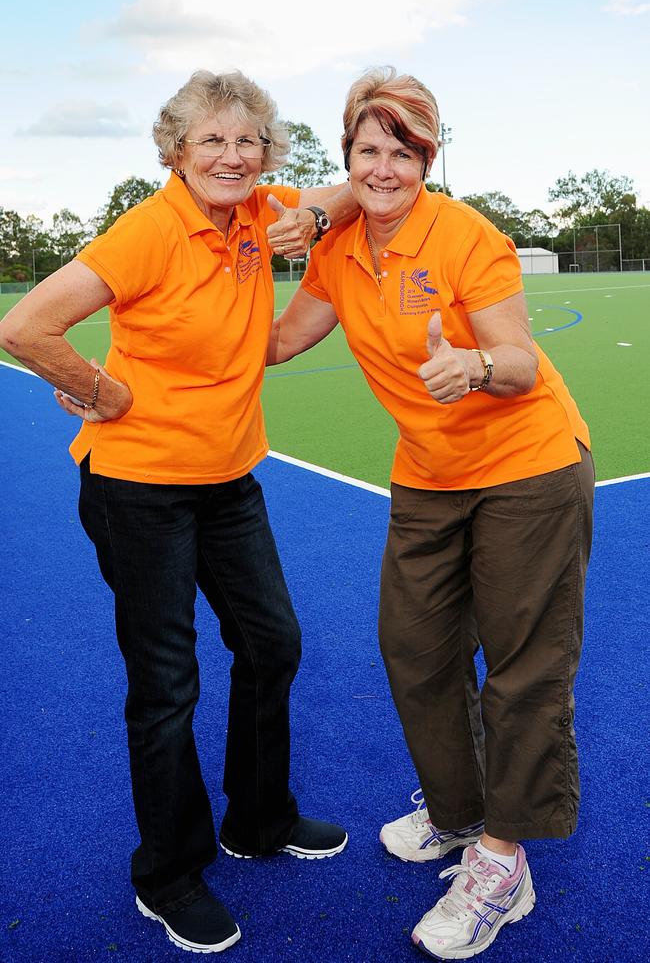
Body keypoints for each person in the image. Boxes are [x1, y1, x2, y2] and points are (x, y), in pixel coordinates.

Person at [0, 69, 360, 955]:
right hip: (139, 488)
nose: (233, 156)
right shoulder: (151, 230)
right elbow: (25, 327)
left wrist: (314, 216)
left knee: (272, 641)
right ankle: (167, 873)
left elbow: (353, 188)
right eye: (212, 141)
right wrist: (99, 390)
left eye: (249, 142)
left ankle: (258, 820)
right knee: (167, 683)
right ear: (176, 153)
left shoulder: (260, 208)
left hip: (229, 477)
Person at [267, 67, 595, 959]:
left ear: (430, 155)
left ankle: (502, 859)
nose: (383, 168)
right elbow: (283, 338)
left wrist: (476, 369)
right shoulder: (336, 240)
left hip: (527, 466)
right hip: (430, 473)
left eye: (403, 152)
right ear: (349, 157)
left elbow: (521, 363)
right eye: (368, 151)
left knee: (523, 668)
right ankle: (456, 814)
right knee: (415, 649)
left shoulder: (466, 238)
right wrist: (170, 337)